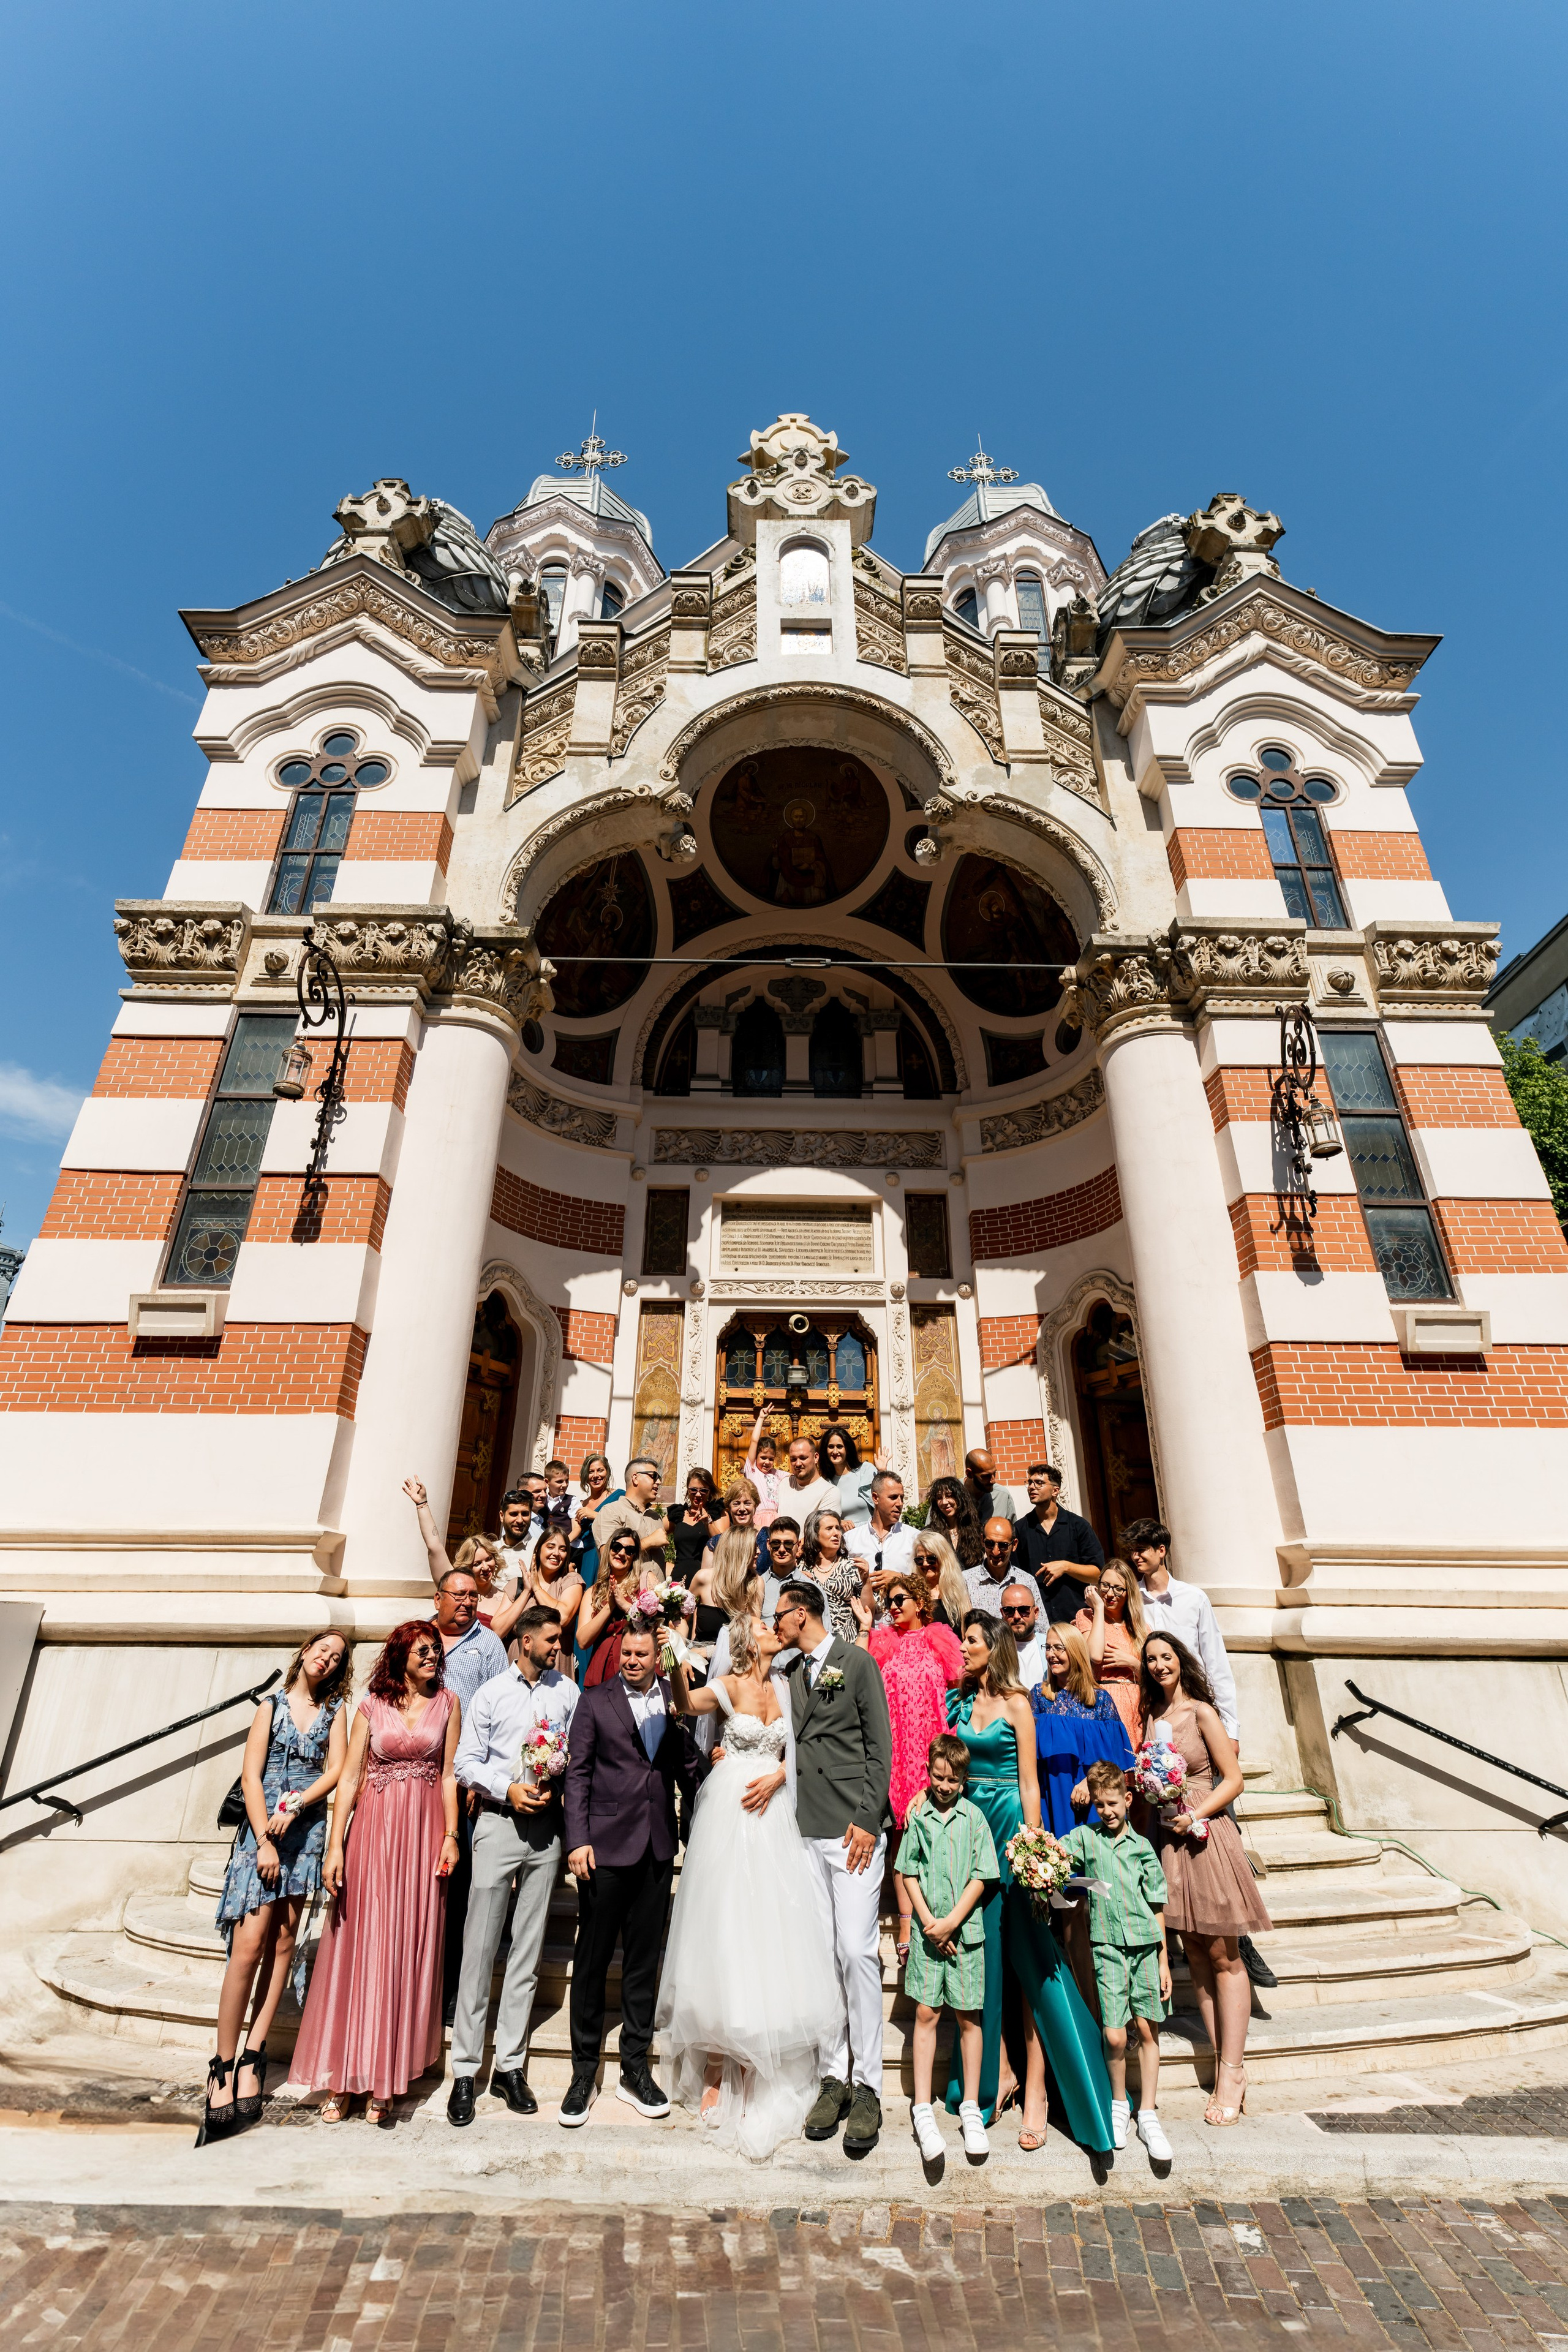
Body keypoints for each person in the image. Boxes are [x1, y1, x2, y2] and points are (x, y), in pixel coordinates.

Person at [660, 1613, 840, 2158]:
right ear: (745, 1642)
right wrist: (675, 1661)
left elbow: (805, 1743)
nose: (772, 1630)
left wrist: (782, 1775)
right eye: (762, 1628)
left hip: (778, 1806)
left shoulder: (787, 1685)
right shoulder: (730, 1684)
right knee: (727, 1928)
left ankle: (761, 2058)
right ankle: (719, 2061)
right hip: (732, 1811)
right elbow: (686, 1707)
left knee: (772, 1926)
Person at [944, 1613, 1113, 2158]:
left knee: (1032, 1958)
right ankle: (1003, 2072)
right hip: (971, 1828)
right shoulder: (960, 1703)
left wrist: (1035, 1847)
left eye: (969, 1640)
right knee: (983, 1954)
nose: (962, 1647)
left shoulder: (1019, 1704)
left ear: (990, 1647)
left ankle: (1041, 2091)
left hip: (1012, 1827)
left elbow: (1029, 1781)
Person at [288, 1621, 460, 2123]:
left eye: (435, 1650)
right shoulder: (369, 1707)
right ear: (401, 1655)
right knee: (361, 1944)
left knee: (405, 1946)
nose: (432, 1656)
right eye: (423, 1650)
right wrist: (335, 1845)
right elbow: (351, 1777)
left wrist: (451, 1835)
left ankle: (385, 2077)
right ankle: (342, 2078)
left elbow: (449, 1774)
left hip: (423, 1834)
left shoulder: (449, 1703)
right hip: (372, 1834)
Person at [200, 1631, 352, 2144]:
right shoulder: (270, 1706)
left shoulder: (336, 1712)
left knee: (284, 1943)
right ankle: (221, 2064)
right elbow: (249, 1777)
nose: (326, 1659)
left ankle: (253, 2055)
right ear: (304, 1653)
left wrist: (299, 1805)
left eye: (335, 1657)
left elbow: (336, 1771)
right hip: (263, 1834)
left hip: (304, 1833)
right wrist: (265, 1837)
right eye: (321, 1650)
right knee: (247, 1948)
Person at [560, 1624, 706, 2125]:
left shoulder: (673, 1697)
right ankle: (583, 2073)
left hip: (656, 1847)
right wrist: (577, 1839)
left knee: (644, 1964)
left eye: (642, 1653)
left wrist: (714, 1764)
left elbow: (686, 1766)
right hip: (602, 1849)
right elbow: (577, 1772)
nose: (632, 1660)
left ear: (657, 1658)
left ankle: (634, 2069)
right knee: (593, 1961)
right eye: (627, 1653)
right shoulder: (594, 1700)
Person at [774, 1580, 894, 2157]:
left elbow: (881, 1745)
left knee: (855, 1950)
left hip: (853, 1830)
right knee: (821, 1957)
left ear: (803, 1615)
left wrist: (870, 1817)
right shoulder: (790, 1674)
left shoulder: (856, 1662)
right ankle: (834, 2076)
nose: (775, 1623)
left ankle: (870, 2083)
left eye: (780, 1615)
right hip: (806, 1831)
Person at [447, 1604, 579, 2125]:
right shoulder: (490, 1693)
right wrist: (507, 1788)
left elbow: (578, 1751)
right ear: (524, 1641)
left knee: (528, 1948)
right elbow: (464, 1762)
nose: (557, 1646)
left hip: (546, 1830)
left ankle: (511, 2067)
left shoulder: (566, 1692)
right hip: (499, 1824)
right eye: (550, 1639)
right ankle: (464, 2069)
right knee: (479, 1946)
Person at [1139, 1631, 1271, 2128]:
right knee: (1194, 1952)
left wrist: (1197, 1814)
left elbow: (1231, 1778)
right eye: (1151, 1659)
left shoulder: (1202, 1714)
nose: (1158, 1665)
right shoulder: (1153, 1720)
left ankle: (1233, 2073)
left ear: (1181, 1661)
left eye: (1166, 1657)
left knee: (1224, 1955)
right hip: (1170, 1839)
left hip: (1205, 1835)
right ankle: (1222, 2063)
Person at [1062, 1761, 1173, 2163]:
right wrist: (1032, 1849)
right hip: (1106, 1947)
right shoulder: (1086, 1840)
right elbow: (1057, 1852)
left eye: (1112, 1803)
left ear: (1127, 1800)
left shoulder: (1142, 1847)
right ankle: (1118, 2104)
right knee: (1113, 2034)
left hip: (1144, 1945)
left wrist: (1163, 1958)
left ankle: (1148, 2112)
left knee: (1146, 2027)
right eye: (1099, 1805)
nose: (1106, 1811)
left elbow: (1156, 1904)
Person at [896, 1732, 998, 2165]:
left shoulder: (975, 1818)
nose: (943, 1786)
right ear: (928, 1773)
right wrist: (927, 1923)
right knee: (926, 2013)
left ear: (963, 1780)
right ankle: (922, 2106)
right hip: (927, 1933)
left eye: (952, 1780)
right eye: (937, 1777)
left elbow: (982, 1875)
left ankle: (971, 2106)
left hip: (965, 1934)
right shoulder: (918, 1817)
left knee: (969, 2018)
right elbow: (908, 1873)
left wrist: (953, 1921)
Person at [851, 1573, 963, 1965]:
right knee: (901, 1840)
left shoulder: (940, 1639)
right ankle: (904, 1921)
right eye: (889, 1600)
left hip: (932, 1748)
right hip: (896, 1749)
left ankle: (940, 1914)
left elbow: (958, 1693)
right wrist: (866, 1630)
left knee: (935, 1835)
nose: (894, 1606)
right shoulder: (881, 1644)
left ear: (919, 1602)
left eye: (901, 1599)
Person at [1122, 1520, 1238, 1737]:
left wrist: (1231, 1730)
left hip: (1193, 1704)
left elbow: (1216, 1664)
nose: (1135, 1557)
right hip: (1147, 1709)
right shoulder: (1130, 1600)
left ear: (1161, 1551)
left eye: (1141, 1550)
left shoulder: (1194, 1598)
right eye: (1132, 1551)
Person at [1031, 1624, 1136, 1835]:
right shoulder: (1039, 1697)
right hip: (1051, 1796)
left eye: (1058, 1648)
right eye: (1048, 1647)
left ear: (1076, 1651)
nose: (1051, 1654)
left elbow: (1117, 1759)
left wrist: (1090, 1782)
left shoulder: (1101, 1700)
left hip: (1095, 1797)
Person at [403, 1477, 529, 1644]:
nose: (485, 1567)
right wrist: (422, 1504)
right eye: (477, 1564)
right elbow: (434, 1546)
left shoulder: (504, 1597)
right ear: (467, 1567)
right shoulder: (453, 1584)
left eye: (489, 1559)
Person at [1013, 1464, 1105, 1622]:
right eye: (1029, 1482)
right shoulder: (1020, 1529)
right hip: (1036, 1620)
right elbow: (1015, 1574)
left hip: (1075, 1618)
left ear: (1055, 1490)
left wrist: (1066, 1567)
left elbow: (1098, 1573)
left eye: (1039, 1483)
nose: (1032, 1487)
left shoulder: (1078, 1526)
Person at [1074, 1559, 1146, 1740]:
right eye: (1105, 1586)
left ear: (1129, 1592)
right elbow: (1095, 1655)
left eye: (1118, 1588)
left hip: (1139, 1707)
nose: (1110, 1594)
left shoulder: (1140, 1628)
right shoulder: (1086, 1616)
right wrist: (1098, 1608)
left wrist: (1132, 1663)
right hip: (1104, 1702)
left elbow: (1153, 1677)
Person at [575, 1526, 644, 1685]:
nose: (621, 1553)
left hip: (634, 1667)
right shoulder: (593, 1592)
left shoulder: (643, 1587)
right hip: (602, 1667)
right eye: (617, 1547)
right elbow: (583, 1641)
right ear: (609, 1549)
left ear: (635, 1557)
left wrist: (625, 1605)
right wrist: (610, 1606)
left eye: (629, 1550)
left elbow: (654, 1628)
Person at [592, 1457, 668, 1575]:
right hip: (626, 1593)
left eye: (659, 1478)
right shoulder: (611, 1511)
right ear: (636, 1478)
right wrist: (649, 1542)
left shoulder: (656, 1518)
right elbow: (607, 1557)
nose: (658, 1482)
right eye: (654, 1476)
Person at [803, 1505, 865, 1643]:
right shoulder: (802, 1567)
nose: (836, 1533)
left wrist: (866, 1581)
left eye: (838, 1528)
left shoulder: (852, 1567)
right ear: (815, 1533)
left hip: (845, 1643)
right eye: (829, 1529)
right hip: (812, 1643)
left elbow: (868, 1609)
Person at [845, 1470, 917, 1584]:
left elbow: (928, 1582)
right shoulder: (851, 1539)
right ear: (875, 1498)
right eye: (893, 1497)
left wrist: (900, 1578)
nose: (900, 1503)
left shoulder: (914, 1538)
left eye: (902, 1498)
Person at [963, 1518, 1044, 1621]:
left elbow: (1042, 1627)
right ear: (982, 1540)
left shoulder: (1027, 1581)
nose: (996, 1552)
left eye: (1003, 1546)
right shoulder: (966, 1581)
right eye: (990, 1544)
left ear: (1014, 1545)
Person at [911, 1528, 973, 1633]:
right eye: (920, 1560)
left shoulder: (959, 1591)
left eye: (931, 1559)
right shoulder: (913, 1593)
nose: (925, 1564)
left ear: (944, 1559)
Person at [819, 1423, 879, 1528]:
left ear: (847, 1448)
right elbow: (822, 1517)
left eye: (840, 1447)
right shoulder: (826, 1484)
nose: (835, 1451)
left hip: (871, 1535)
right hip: (845, 1539)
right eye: (831, 1447)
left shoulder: (866, 1471)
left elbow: (885, 1499)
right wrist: (839, 1522)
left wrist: (883, 1472)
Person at [669, 1468, 718, 1585]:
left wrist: (708, 1522)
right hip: (678, 1583)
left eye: (703, 1491)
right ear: (687, 1490)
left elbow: (724, 1544)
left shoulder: (718, 1512)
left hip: (705, 1583)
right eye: (693, 1490)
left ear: (710, 1491)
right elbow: (656, 1531)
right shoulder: (678, 1513)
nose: (698, 1494)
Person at [924, 1476, 983, 1570]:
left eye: (949, 1496)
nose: (944, 1502)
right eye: (939, 1498)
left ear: (960, 1498)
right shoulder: (930, 1533)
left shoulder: (978, 1531)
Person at [782, 1432, 835, 1528]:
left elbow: (820, 1532)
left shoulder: (830, 1492)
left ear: (816, 1458)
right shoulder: (784, 1484)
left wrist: (794, 1543)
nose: (798, 1464)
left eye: (803, 1458)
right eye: (793, 1459)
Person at [998, 1581, 1045, 1690]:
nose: (1017, 1616)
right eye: (1009, 1611)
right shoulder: (994, 1649)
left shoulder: (1051, 1646)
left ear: (1036, 1613)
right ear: (1002, 1613)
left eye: (1024, 1610)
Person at [744, 1412, 784, 1526]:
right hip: (758, 1519)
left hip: (776, 1518)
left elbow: (796, 1476)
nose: (767, 1462)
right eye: (763, 1458)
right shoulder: (753, 1471)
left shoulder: (776, 1474)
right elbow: (754, 1441)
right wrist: (761, 1418)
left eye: (771, 1459)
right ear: (756, 1457)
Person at [964, 1447, 1017, 1527]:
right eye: (986, 1476)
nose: (993, 1481)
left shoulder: (1002, 1496)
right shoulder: (950, 1494)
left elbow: (1013, 1532)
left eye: (994, 1473)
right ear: (970, 1474)